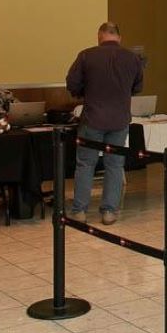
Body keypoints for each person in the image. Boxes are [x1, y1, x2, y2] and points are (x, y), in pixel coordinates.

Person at [66, 22, 143, 225]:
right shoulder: (132, 58)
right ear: (119, 37)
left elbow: (72, 83)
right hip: (119, 119)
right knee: (115, 165)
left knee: (85, 164)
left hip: (92, 119)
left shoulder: (86, 55)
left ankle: (80, 211)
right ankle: (109, 211)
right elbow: (138, 86)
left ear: (99, 37)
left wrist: (86, 91)